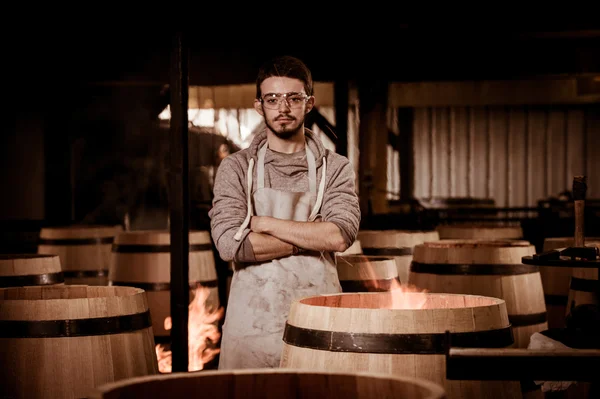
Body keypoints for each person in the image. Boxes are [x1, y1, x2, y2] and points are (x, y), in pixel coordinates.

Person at [208, 55, 361, 369]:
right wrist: (310, 235)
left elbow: (340, 235)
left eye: (294, 97)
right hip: (250, 330)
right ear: (259, 105)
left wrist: (265, 224)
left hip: (320, 325)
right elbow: (231, 245)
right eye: (273, 98)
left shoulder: (336, 167)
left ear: (309, 104)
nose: (283, 107)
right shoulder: (235, 169)